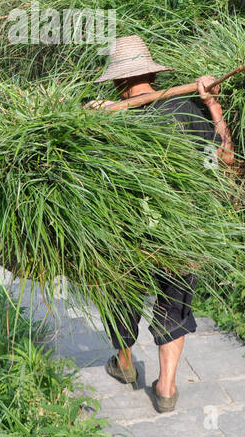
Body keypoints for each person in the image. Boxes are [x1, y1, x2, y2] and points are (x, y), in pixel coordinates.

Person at [88, 35, 235, 413]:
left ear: (119, 82)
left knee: (118, 293)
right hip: (183, 226)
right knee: (176, 302)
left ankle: (124, 362)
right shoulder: (187, 108)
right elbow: (227, 158)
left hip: (126, 229)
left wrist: (87, 118)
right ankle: (167, 388)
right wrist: (212, 103)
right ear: (152, 74)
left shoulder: (106, 122)